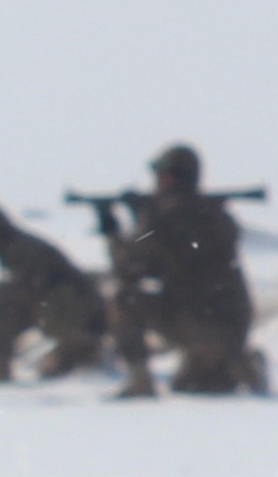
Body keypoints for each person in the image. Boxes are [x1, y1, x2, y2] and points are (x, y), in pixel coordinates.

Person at [108, 142, 265, 397]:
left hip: (194, 320)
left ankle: (140, 381)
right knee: (193, 385)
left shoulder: (163, 217)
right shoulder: (218, 215)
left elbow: (128, 268)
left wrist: (115, 233)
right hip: (233, 325)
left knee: (124, 299)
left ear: (168, 177)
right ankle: (237, 362)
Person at [0, 200, 107, 381]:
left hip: (75, 312)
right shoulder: (16, 247)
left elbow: (25, 289)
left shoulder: (22, 249)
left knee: (8, 308)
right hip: (69, 311)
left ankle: (2, 368)